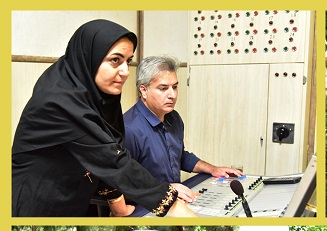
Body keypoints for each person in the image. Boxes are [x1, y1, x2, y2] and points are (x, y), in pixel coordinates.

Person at [12, 19, 198, 217]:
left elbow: (107, 151)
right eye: (115, 60)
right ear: (89, 57)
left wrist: (119, 205)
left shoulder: (89, 90)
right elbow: (113, 160)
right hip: (37, 204)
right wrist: (173, 206)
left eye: (128, 61)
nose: (126, 72)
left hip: (74, 196)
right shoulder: (59, 101)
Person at [124, 55, 242, 185]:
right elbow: (122, 185)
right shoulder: (128, 129)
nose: (172, 95)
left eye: (174, 87)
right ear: (144, 90)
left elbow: (178, 156)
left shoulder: (174, 117)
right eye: (163, 88)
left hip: (174, 197)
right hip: (147, 202)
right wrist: (165, 190)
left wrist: (211, 168)